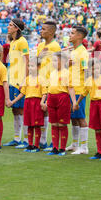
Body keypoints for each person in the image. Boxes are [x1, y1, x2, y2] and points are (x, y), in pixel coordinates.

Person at [75, 58, 101, 161]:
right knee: (97, 129)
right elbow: (83, 93)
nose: (96, 71)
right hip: (94, 105)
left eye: (97, 68)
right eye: (93, 69)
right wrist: (76, 103)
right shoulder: (89, 81)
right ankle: (99, 152)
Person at [41, 51, 76, 156]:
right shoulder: (52, 73)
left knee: (62, 124)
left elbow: (70, 88)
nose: (54, 63)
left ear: (63, 61)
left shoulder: (67, 73)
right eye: (53, 60)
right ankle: (55, 147)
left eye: (56, 60)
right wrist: (46, 100)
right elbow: (49, 88)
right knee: (54, 124)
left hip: (62, 98)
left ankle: (62, 148)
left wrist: (74, 102)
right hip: (52, 98)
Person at [10, 56, 46, 153]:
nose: (30, 68)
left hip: (37, 103)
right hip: (28, 103)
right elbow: (22, 93)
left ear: (38, 67)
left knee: (37, 125)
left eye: (32, 66)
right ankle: (30, 145)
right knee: (29, 124)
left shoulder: (41, 79)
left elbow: (44, 93)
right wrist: (13, 101)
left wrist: (42, 102)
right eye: (29, 66)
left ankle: (37, 145)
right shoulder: (26, 79)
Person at [4, 18, 30, 149]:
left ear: (16, 28)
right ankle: (16, 138)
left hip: (19, 80)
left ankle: (25, 139)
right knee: (15, 110)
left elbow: (27, 61)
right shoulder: (13, 42)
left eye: (10, 25)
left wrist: (25, 80)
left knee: (21, 109)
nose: (8, 27)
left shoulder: (22, 42)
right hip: (12, 79)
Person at [37, 20, 62, 150]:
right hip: (41, 82)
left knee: (51, 113)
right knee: (42, 112)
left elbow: (59, 65)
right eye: (41, 29)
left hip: (51, 83)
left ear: (52, 32)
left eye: (44, 29)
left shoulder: (55, 47)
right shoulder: (41, 45)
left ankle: (53, 142)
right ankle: (43, 140)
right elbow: (37, 63)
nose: (41, 31)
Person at [66, 25, 90, 155]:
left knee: (80, 117)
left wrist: (84, 90)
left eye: (72, 33)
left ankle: (84, 147)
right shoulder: (74, 51)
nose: (70, 35)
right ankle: (75, 144)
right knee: (73, 118)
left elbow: (86, 72)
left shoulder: (82, 52)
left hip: (79, 89)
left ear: (79, 36)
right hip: (71, 88)